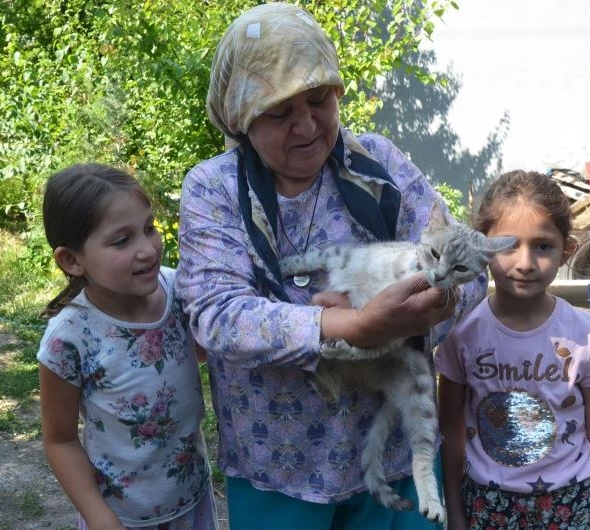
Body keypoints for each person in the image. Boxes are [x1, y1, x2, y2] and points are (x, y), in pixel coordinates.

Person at [175, 4, 488, 529]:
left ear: (338, 91)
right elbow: (216, 315)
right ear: (240, 115)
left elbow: (472, 271)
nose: (305, 125)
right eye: (278, 112)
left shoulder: (380, 166)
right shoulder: (215, 189)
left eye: (318, 99)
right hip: (278, 464)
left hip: (393, 455)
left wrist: (428, 305)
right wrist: (351, 326)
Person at [435, 170, 590, 530]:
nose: (524, 263)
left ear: (566, 249)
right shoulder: (461, 332)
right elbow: (451, 427)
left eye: (542, 246)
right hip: (486, 505)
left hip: (569, 504)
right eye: (508, 245)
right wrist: (456, 516)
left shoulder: (583, 334)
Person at [36, 163, 217, 530]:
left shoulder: (179, 291)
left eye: (149, 228)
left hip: (191, 502)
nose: (148, 249)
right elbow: (60, 439)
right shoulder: (68, 338)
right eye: (122, 240)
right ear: (72, 260)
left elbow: (200, 352)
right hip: (120, 518)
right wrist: (99, 517)